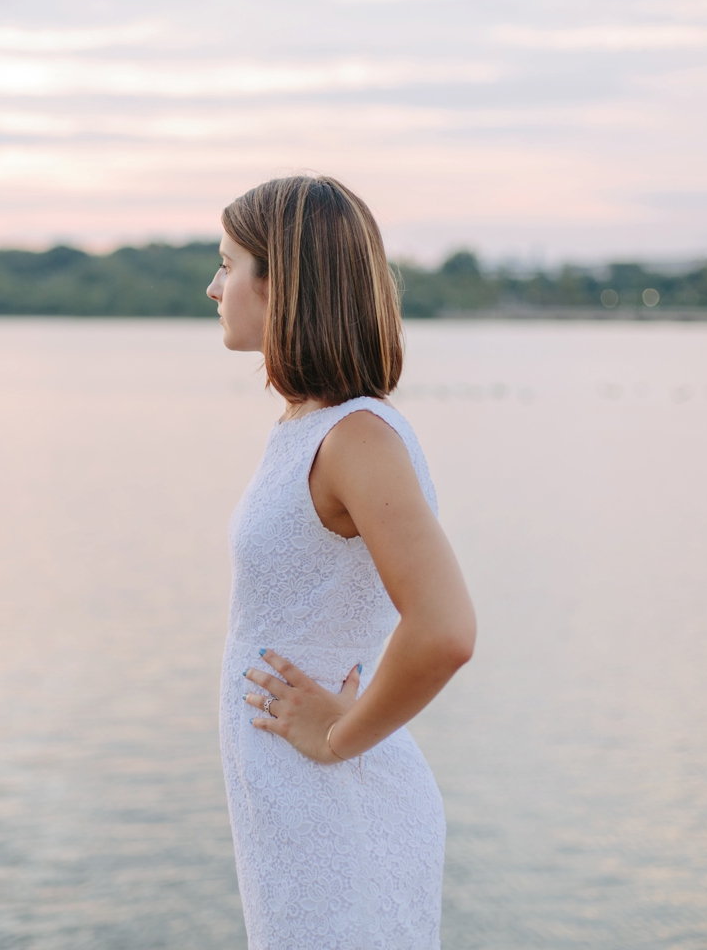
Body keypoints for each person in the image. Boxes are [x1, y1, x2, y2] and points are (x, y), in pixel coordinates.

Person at [205, 175, 476, 948]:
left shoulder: (356, 439)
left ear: (281, 282)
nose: (214, 286)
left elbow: (447, 629)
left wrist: (337, 735)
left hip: (337, 804)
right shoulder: (307, 426)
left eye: (228, 264)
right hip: (292, 809)